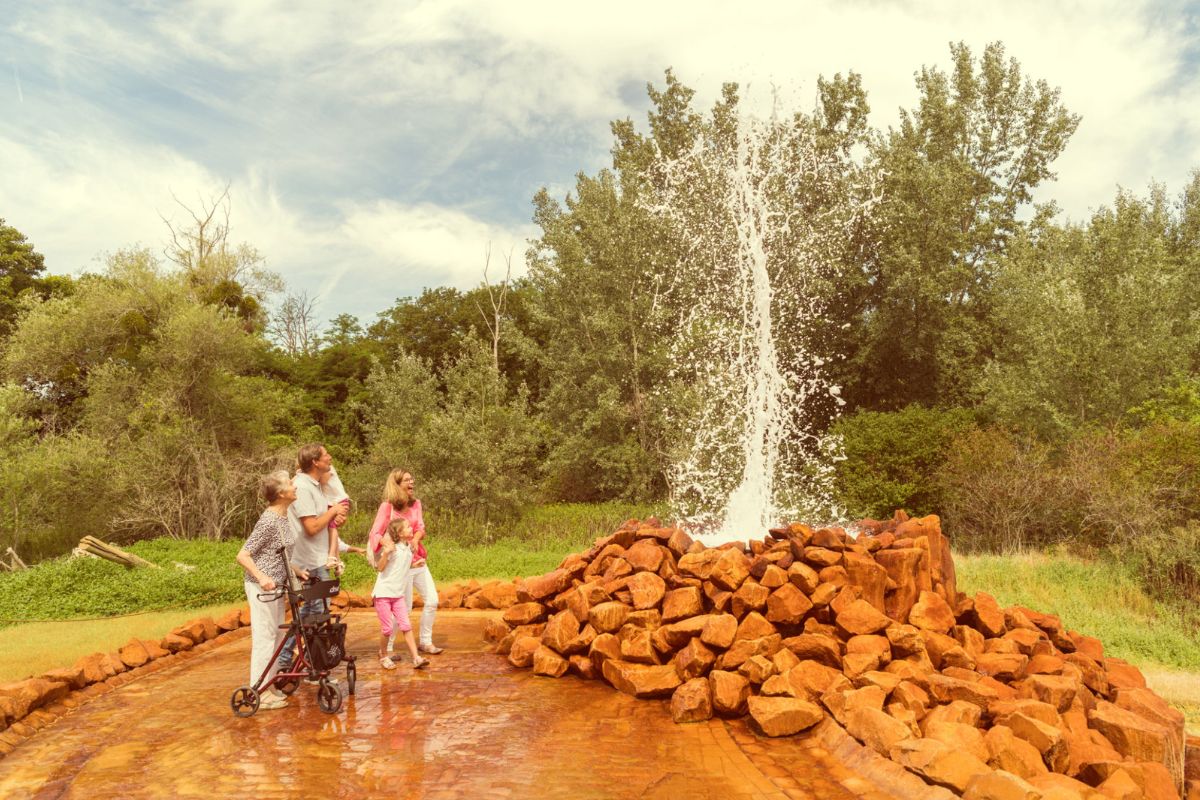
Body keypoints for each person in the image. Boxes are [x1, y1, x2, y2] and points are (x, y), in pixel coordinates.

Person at [235, 470, 305, 710]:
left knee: (276, 638)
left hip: (278, 587)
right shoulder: (269, 520)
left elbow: (280, 553)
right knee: (265, 639)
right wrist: (262, 577)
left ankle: (270, 685)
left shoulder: (283, 516)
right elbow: (243, 555)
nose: (295, 487)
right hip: (261, 587)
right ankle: (260, 692)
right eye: (289, 484)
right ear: (281, 494)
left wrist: (297, 570)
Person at [278, 443, 347, 675]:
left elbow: (324, 521)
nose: (330, 457)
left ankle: (307, 662)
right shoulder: (303, 487)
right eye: (325, 454)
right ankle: (288, 661)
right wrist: (334, 511)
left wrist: (334, 518)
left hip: (317, 558)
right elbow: (311, 527)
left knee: (316, 614)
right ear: (315, 462)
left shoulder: (316, 485)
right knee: (312, 615)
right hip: (307, 561)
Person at [368, 469, 442, 656]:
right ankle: (388, 648)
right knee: (404, 607)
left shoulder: (416, 503)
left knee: (432, 600)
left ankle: (425, 642)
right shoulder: (387, 506)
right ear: (397, 484)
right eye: (407, 480)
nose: (412, 482)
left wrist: (416, 539)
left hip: (417, 559)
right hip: (399, 565)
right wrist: (387, 544)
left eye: (412, 479)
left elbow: (421, 527)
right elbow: (375, 533)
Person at [373, 518, 429, 670]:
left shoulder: (408, 549)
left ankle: (416, 658)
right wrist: (385, 554)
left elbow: (400, 566)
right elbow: (380, 568)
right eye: (408, 527)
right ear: (399, 533)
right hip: (383, 594)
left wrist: (414, 564)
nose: (412, 529)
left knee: (406, 626)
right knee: (387, 628)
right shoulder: (393, 549)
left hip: (398, 596)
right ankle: (383, 655)